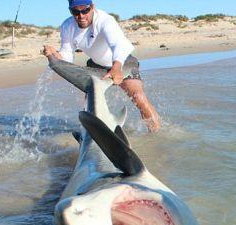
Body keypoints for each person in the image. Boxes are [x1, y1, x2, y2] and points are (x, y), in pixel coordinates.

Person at [41, 0, 161, 132]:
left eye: (85, 10)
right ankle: (91, 136)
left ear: (92, 7)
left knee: (138, 96)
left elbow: (118, 45)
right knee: (90, 106)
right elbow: (67, 56)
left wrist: (116, 67)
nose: (80, 16)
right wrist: (55, 55)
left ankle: (156, 134)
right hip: (96, 65)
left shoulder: (105, 20)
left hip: (122, 61)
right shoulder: (67, 26)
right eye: (75, 11)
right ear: (71, 11)